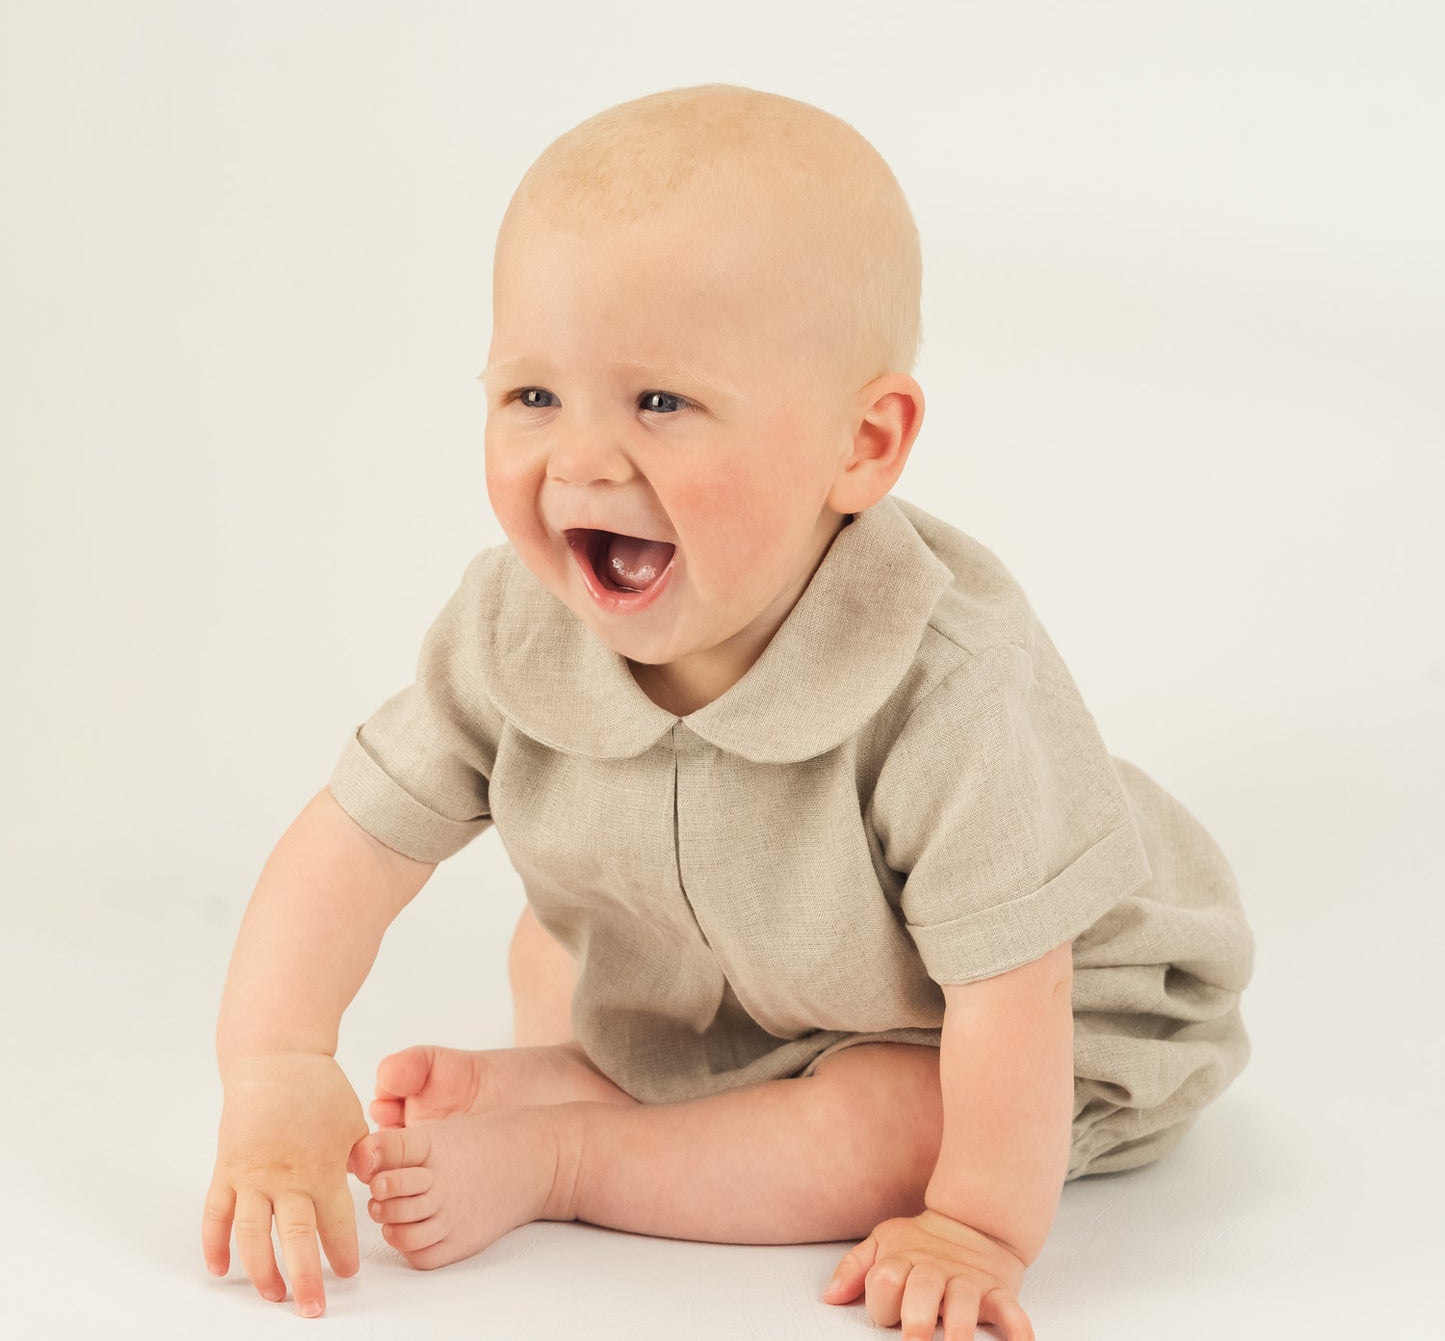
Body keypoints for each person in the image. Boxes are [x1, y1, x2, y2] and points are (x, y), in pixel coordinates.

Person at [201, 83, 1254, 1340]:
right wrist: (275, 1069)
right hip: (729, 971)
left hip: (996, 1021)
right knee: (551, 948)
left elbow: (1011, 996)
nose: (582, 461)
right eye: (531, 396)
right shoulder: (511, 627)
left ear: (860, 444)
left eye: (659, 402)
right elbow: (353, 840)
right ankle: (598, 1078)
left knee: (889, 1122)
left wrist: (973, 1224)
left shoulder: (948, 676)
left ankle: (572, 1159)